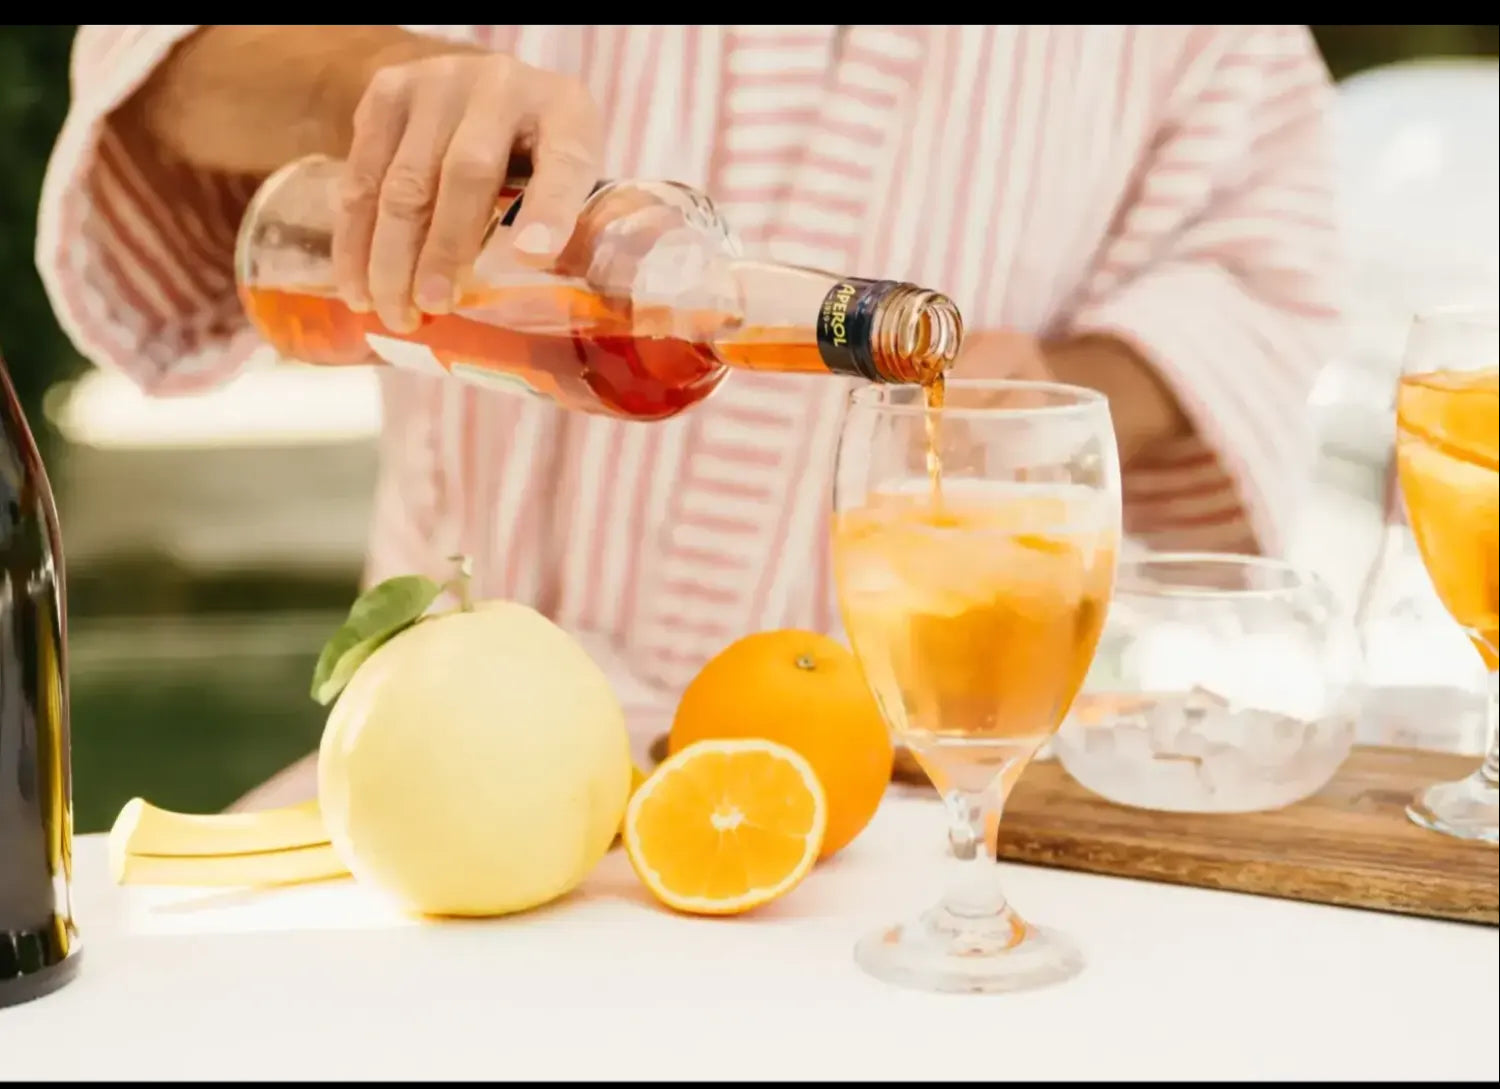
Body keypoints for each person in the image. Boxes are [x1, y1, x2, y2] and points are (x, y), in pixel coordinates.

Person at [36, 25, 1343, 806]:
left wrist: (1039, 381)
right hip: (448, 760)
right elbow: (150, 62)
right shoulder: (646, 333)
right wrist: (376, 84)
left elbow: (1265, 278)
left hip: (884, 788)